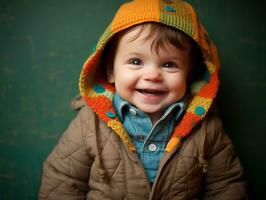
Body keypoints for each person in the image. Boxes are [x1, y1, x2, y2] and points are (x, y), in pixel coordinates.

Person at [39, 0, 248, 199]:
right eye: (136, 61)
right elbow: (62, 180)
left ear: (189, 74)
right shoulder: (90, 123)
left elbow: (226, 186)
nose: (152, 75)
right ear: (111, 71)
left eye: (169, 65)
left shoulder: (206, 128)